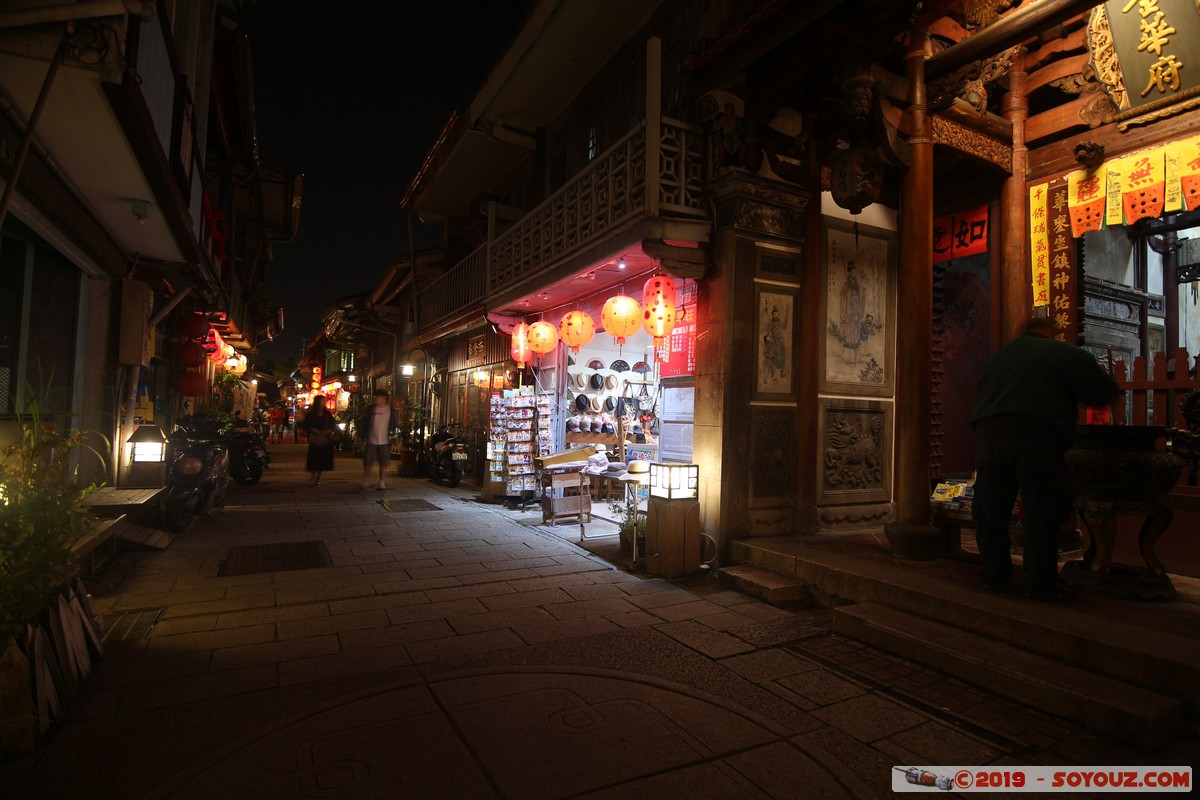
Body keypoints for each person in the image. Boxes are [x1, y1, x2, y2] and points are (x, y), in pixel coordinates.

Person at [970, 317, 1118, 601]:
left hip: (988, 436)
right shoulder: (1061, 353)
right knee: (1042, 509)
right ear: (1052, 332)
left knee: (991, 509)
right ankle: (1038, 584)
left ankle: (994, 576)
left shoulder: (1000, 358)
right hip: (1036, 435)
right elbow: (1101, 392)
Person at [360, 389, 400, 490]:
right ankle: (366, 479)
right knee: (367, 460)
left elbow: (395, 425)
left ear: (384, 398)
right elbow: (365, 423)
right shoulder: (371, 409)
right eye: (375, 397)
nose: (375, 399)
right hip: (371, 439)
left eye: (377, 397)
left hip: (385, 440)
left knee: (384, 461)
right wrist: (362, 436)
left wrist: (395, 438)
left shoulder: (391, 410)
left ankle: (382, 481)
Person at [301, 396, 336, 484]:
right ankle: (313, 474)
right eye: (322, 401)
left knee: (323, 459)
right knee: (314, 458)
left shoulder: (327, 414)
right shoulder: (310, 414)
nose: (323, 402)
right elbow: (306, 425)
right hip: (315, 439)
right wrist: (312, 429)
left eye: (324, 401)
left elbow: (332, 424)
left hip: (325, 438)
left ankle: (318, 477)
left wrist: (330, 430)